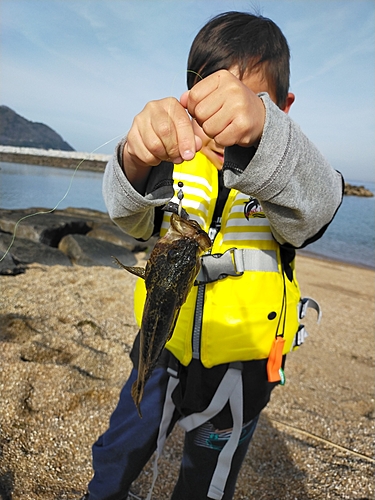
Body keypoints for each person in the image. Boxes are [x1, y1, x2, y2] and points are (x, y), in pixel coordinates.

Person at [82, 11, 343, 500]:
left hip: (240, 372)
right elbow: (131, 218)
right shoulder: (175, 167)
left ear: (282, 108)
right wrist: (136, 159)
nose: (227, 125)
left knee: (207, 480)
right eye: (212, 105)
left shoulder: (290, 179)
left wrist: (268, 134)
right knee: (119, 449)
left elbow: (322, 202)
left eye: (248, 104)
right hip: (159, 352)